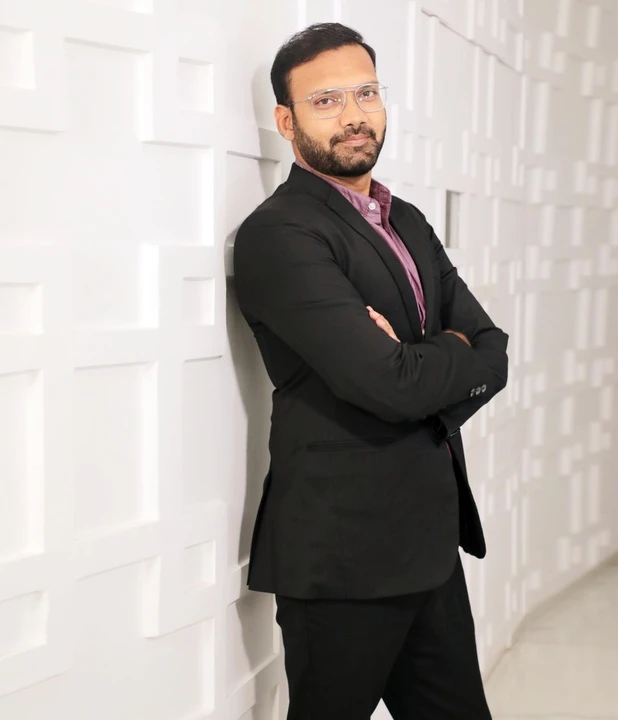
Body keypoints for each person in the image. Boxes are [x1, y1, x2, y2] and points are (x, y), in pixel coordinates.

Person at [233, 22, 509, 720]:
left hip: (429, 543)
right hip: (343, 555)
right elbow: (389, 384)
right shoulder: (281, 233)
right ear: (287, 122)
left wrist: (419, 361)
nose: (354, 114)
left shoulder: (405, 219)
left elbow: (493, 349)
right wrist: (438, 357)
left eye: (366, 93)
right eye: (327, 101)